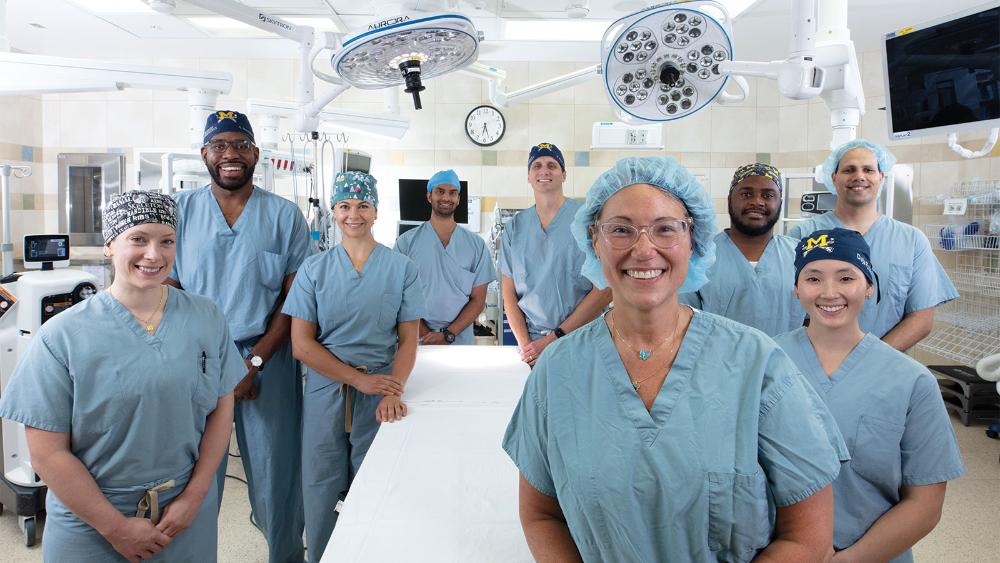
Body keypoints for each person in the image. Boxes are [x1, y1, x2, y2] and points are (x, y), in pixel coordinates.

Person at [503, 157, 849, 562]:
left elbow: (807, 537)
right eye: (620, 230)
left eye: (665, 228)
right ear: (593, 241)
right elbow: (542, 515)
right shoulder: (558, 370)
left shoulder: (757, 364)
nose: (644, 249)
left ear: (694, 240)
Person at [0, 192, 243, 562]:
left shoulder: (206, 317)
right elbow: (48, 453)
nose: (154, 255)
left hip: (182, 514)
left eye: (167, 242)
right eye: (138, 239)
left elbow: (221, 409)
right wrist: (115, 527)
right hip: (91, 521)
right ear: (109, 245)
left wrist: (195, 496)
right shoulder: (62, 336)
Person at [167, 110, 313, 562]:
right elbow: (168, 290)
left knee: (276, 471)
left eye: (240, 145)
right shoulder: (180, 212)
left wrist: (253, 363)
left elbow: (295, 301)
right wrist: (206, 361)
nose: (230, 154)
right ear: (205, 154)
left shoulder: (284, 216)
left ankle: (284, 554)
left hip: (266, 358)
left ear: (256, 153)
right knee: (192, 476)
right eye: (220, 145)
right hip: (196, 358)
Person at [775, 228, 965, 562]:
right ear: (796, 288)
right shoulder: (764, 362)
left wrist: (848, 560)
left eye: (846, 277)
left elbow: (925, 503)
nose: (830, 292)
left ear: (869, 287)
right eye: (814, 278)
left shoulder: (911, 381)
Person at [283, 171, 424, 563]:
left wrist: (393, 387)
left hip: (381, 388)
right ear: (333, 212)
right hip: (328, 388)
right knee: (322, 482)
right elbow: (301, 344)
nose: (354, 214)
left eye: (363, 205)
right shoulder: (314, 270)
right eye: (345, 206)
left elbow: (409, 339)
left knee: (376, 481)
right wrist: (356, 380)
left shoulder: (401, 268)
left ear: (376, 210)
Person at [788, 140, 958, 351]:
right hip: (816, 365)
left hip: (884, 368)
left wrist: (871, 362)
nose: (859, 176)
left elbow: (921, 318)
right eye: (849, 169)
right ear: (833, 177)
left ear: (881, 177)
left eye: (868, 169)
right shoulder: (803, 235)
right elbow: (791, 310)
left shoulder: (911, 240)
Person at [499, 142, 611, 366]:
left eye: (552, 165)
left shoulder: (587, 222)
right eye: (537, 166)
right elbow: (508, 293)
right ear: (529, 177)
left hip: (582, 339)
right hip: (532, 346)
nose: (544, 171)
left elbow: (606, 289)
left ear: (564, 175)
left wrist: (554, 338)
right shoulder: (515, 228)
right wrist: (527, 347)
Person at [680, 163, 804, 336]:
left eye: (768, 195)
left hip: (786, 362)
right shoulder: (699, 257)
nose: (757, 202)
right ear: (730, 199)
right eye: (746, 194)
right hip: (718, 361)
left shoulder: (802, 256)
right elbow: (684, 323)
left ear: (780, 203)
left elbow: (814, 322)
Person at [394, 169, 496, 345]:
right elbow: (398, 296)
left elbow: (478, 300)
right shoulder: (405, 244)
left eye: (452, 193)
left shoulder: (476, 246)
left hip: (459, 341)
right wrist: (425, 334)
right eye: (440, 191)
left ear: (458, 199)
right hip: (416, 340)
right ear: (429, 196)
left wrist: (448, 334)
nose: (446, 198)